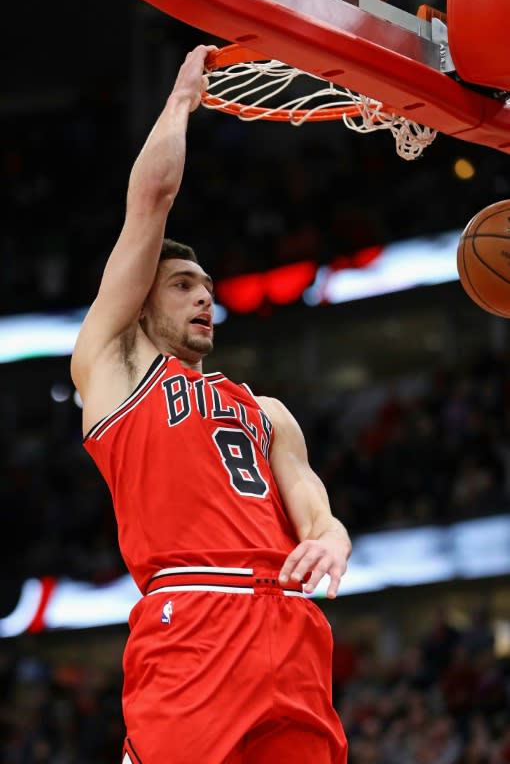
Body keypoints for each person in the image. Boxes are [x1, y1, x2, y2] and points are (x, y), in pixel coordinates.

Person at [71, 44, 351, 764]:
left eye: (208, 287)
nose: (204, 295)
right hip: (193, 615)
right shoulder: (118, 368)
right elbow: (151, 203)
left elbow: (314, 510)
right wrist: (181, 103)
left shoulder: (267, 409)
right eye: (183, 284)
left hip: (290, 627)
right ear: (140, 306)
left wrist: (330, 540)